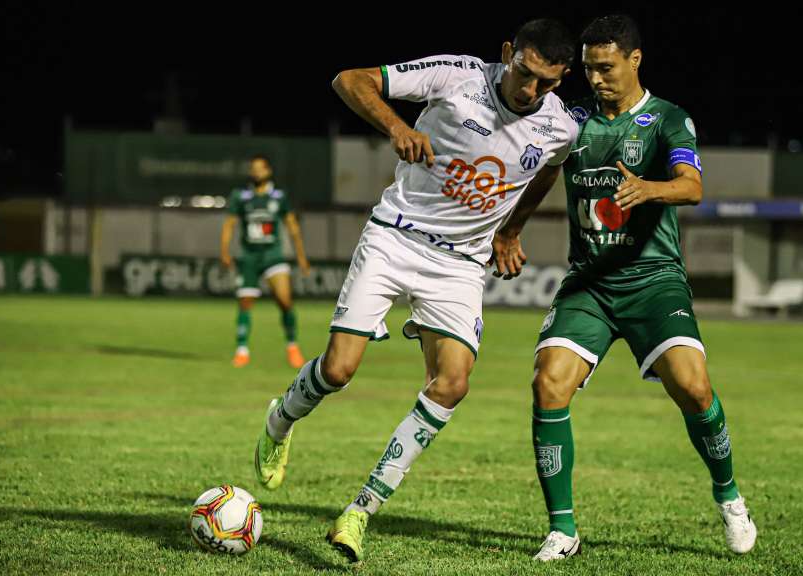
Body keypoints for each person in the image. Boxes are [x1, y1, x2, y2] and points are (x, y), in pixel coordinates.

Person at [251, 19, 580, 563]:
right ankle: (278, 421)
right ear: (508, 53)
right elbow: (349, 79)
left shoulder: (559, 127)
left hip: (460, 265)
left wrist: (511, 230)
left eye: (546, 82)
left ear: (561, 78)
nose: (530, 89)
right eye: (524, 73)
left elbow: (550, 169)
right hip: (396, 237)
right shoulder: (457, 76)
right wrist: (396, 126)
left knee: (452, 383)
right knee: (339, 370)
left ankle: (360, 511)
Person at [492, 14, 758, 561]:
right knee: (548, 384)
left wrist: (650, 189)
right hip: (589, 282)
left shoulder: (668, 120)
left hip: (654, 280)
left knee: (694, 388)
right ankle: (563, 530)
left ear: (635, 60)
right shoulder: (571, 120)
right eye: (589, 69)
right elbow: (542, 173)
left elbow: (692, 187)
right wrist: (510, 228)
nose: (596, 78)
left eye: (606, 67)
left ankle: (729, 495)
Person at [220, 155, 310, 368]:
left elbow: (292, 227)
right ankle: (242, 350)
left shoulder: (279, 197)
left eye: (260, 168)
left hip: (273, 256)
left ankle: (292, 346)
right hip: (249, 257)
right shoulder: (241, 196)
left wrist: (301, 257)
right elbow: (229, 224)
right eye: (253, 168)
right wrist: (224, 251)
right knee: (245, 303)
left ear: (268, 171)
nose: (256, 172)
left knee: (285, 300)